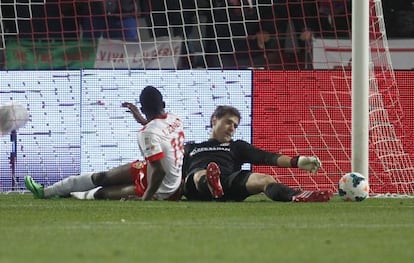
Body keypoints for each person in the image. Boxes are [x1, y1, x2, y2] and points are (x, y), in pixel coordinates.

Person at [24, 86, 185, 201]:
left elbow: (159, 171)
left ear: (142, 109)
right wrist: (143, 121)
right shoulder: (175, 118)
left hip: (161, 190)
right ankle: (45, 192)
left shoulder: (147, 133)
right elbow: (158, 131)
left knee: (103, 193)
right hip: (159, 175)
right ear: (163, 105)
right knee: (103, 176)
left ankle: (71, 194)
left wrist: (145, 199)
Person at [182, 105, 333, 202]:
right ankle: (210, 183)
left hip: (228, 183)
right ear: (214, 120)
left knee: (265, 179)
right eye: (228, 122)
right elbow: (176, 173)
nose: (232, 128)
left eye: (235, 125)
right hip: (196, 187)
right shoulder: (191, 147)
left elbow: (266, 157)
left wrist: (296, 161)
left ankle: (297, 195)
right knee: (199, 174)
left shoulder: (236, 146)